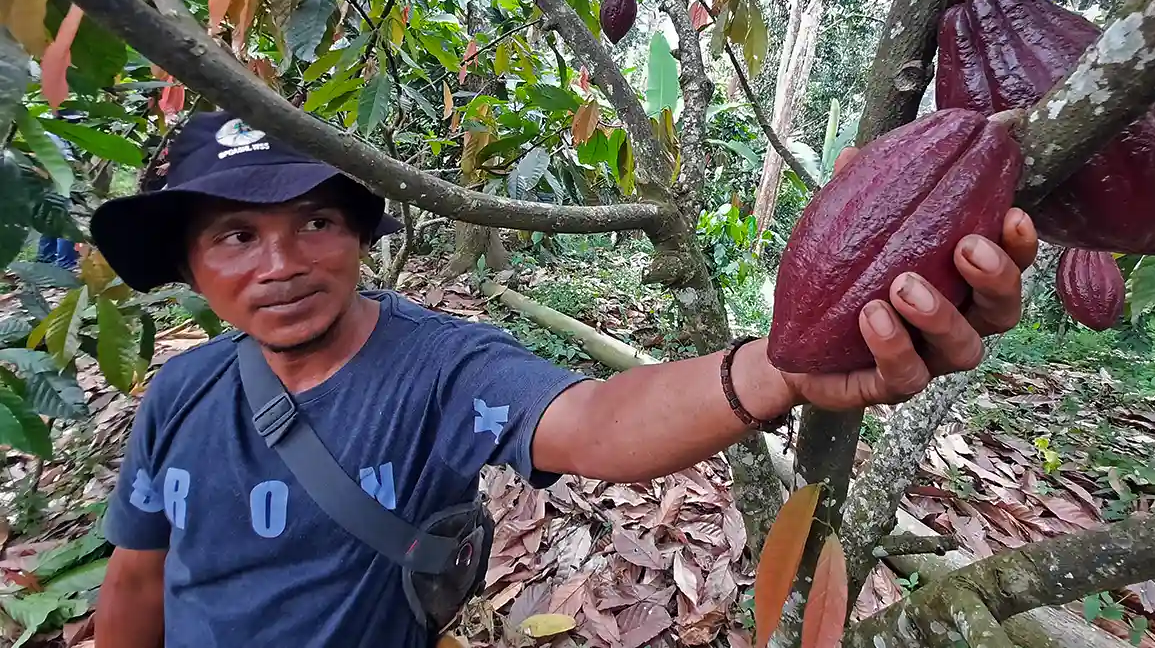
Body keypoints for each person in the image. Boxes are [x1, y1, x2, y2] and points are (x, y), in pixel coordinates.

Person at [89, 110, 1038, 648]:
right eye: (235, 234)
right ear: (188, 263)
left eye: (317, 223)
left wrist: (781, 367)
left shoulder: (438, 364)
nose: (281, 262)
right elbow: (137, 583)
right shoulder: (181, 394)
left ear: (360, 236)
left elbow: (594, 421)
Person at [35, 131, 80, 272]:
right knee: (65, 222)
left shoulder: (41, 134)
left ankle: (45, 260)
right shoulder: (50, 136)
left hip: (43, 183)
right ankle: (64, 263)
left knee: (50, 218)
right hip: (57, 180)